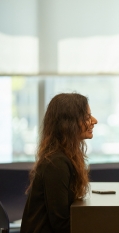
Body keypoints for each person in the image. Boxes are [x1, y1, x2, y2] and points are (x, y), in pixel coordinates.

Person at [20, 93, 97, 233]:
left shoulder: (64, 157)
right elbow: (61, 224)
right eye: (87, 117)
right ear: (68, 124)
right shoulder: (57, 163)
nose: (94, 120)